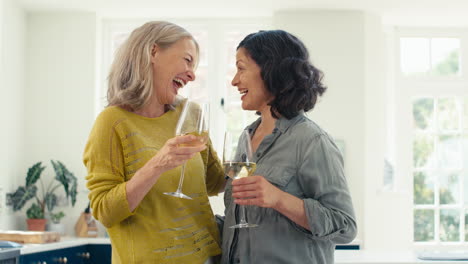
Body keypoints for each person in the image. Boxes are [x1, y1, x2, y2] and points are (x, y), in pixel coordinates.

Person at [83, 21, 225, 264]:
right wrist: (157, 165)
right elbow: (105, 211)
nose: (192, 74)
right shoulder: (112, 122)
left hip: (207, 259)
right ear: (153, 52)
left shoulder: (190, 113)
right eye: (188, 60)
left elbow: (214, 182)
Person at [221, 30, 357, 264]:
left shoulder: (311, 141)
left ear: (271, 71)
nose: (234, 80)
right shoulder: (247, 136)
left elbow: (345, 226)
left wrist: (278, 199)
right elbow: (243, 226)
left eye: (241, 68)